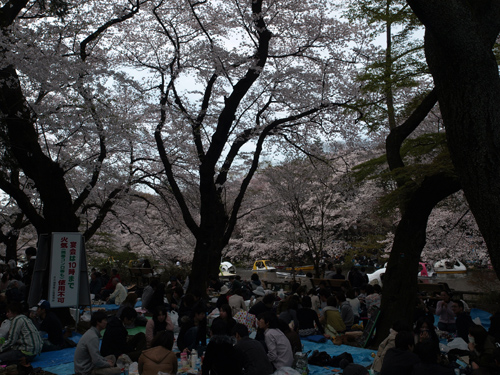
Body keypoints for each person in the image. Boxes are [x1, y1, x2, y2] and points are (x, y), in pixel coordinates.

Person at [74, 311, 121, 375]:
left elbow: (96, 356)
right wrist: (107, 364)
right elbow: (96, 361)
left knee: (112, 357)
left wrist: (105, 361)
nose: (106, 322)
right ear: (98, 322)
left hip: (88, 364)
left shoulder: (91, 332)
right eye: (104, 320)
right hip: (85, 371)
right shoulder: (93, 337)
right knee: (118, 370)